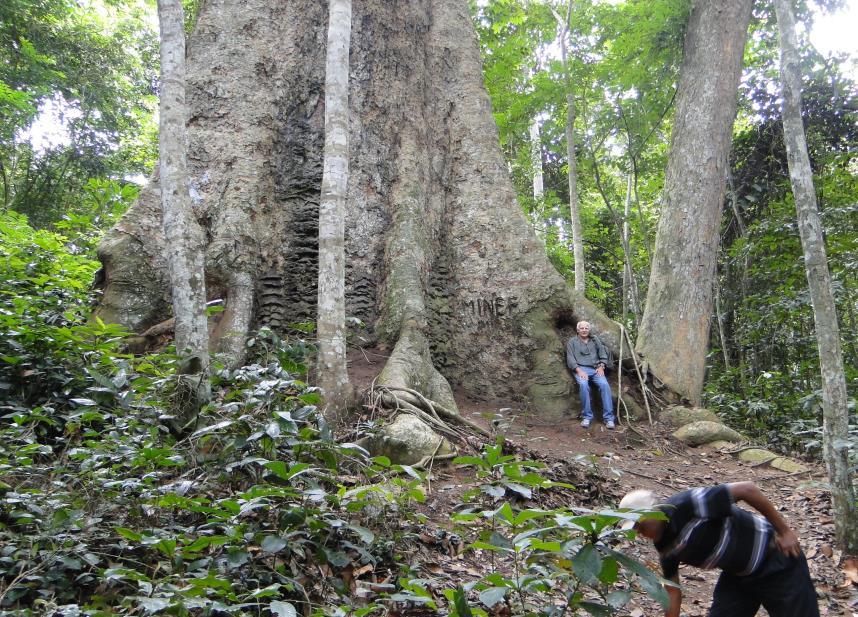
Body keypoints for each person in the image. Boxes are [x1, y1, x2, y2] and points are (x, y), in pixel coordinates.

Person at [618, 482, 820, 617]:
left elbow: (747, 489)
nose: (639, 532)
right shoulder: (664, 544)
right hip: (739, 577)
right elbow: (673, 590)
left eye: (641, 525)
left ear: (655, 511)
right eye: (635, 529)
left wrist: (784, 531)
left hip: (777, 561)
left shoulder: (687, 505)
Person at [566, 320, 615, 429]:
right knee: (583, 385)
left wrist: (602, 366)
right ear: (577, 330)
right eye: (582, 328)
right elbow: (570, 359)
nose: (584, 330)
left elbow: (603, 353)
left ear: (589, 330)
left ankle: (609, 419)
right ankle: (587, 417)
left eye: (586, 328)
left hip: (596, 369)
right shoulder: (572, 342)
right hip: (581, 368)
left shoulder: (595, 340)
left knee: (605, 385)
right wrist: (579, 371)